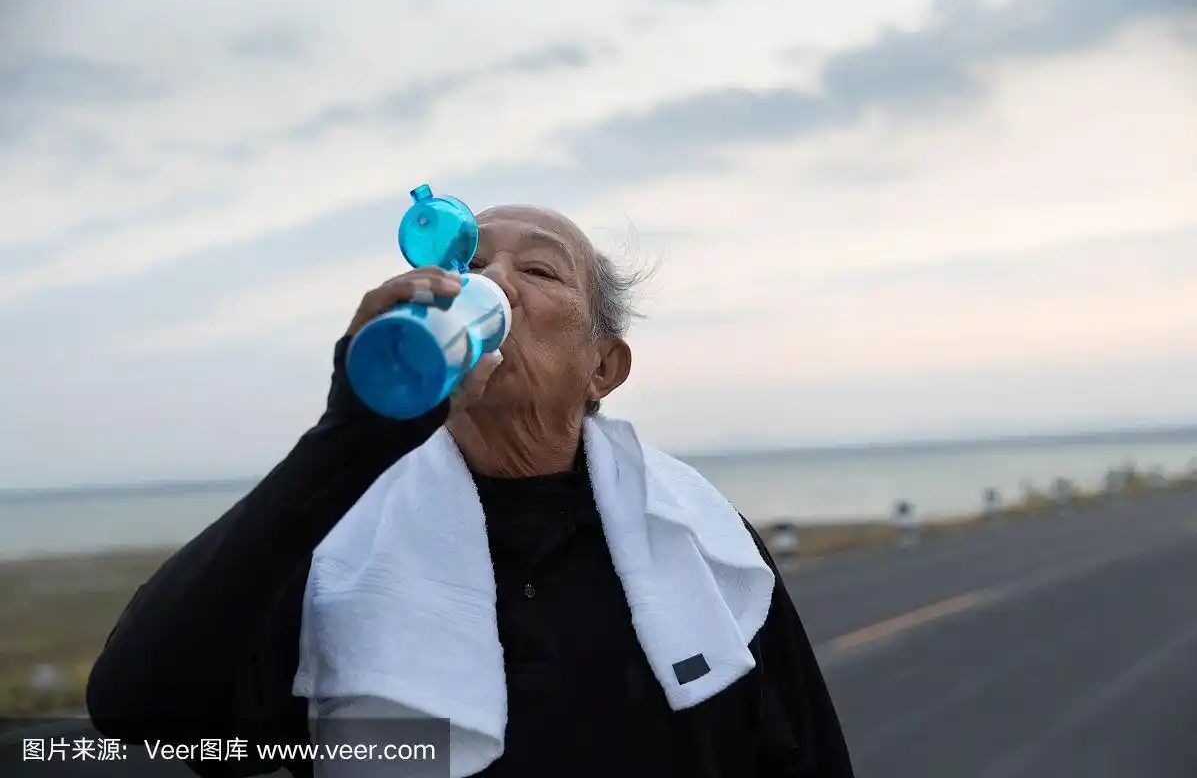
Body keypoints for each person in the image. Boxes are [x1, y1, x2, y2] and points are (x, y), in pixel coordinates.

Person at [86, 205, 856, 777]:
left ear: (603, 367)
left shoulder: (699, 539)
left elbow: (807, 758)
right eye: (470, 265)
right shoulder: (345, 547)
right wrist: (349, 436)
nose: (490, 283)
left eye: (540, 270)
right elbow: (141, 710)